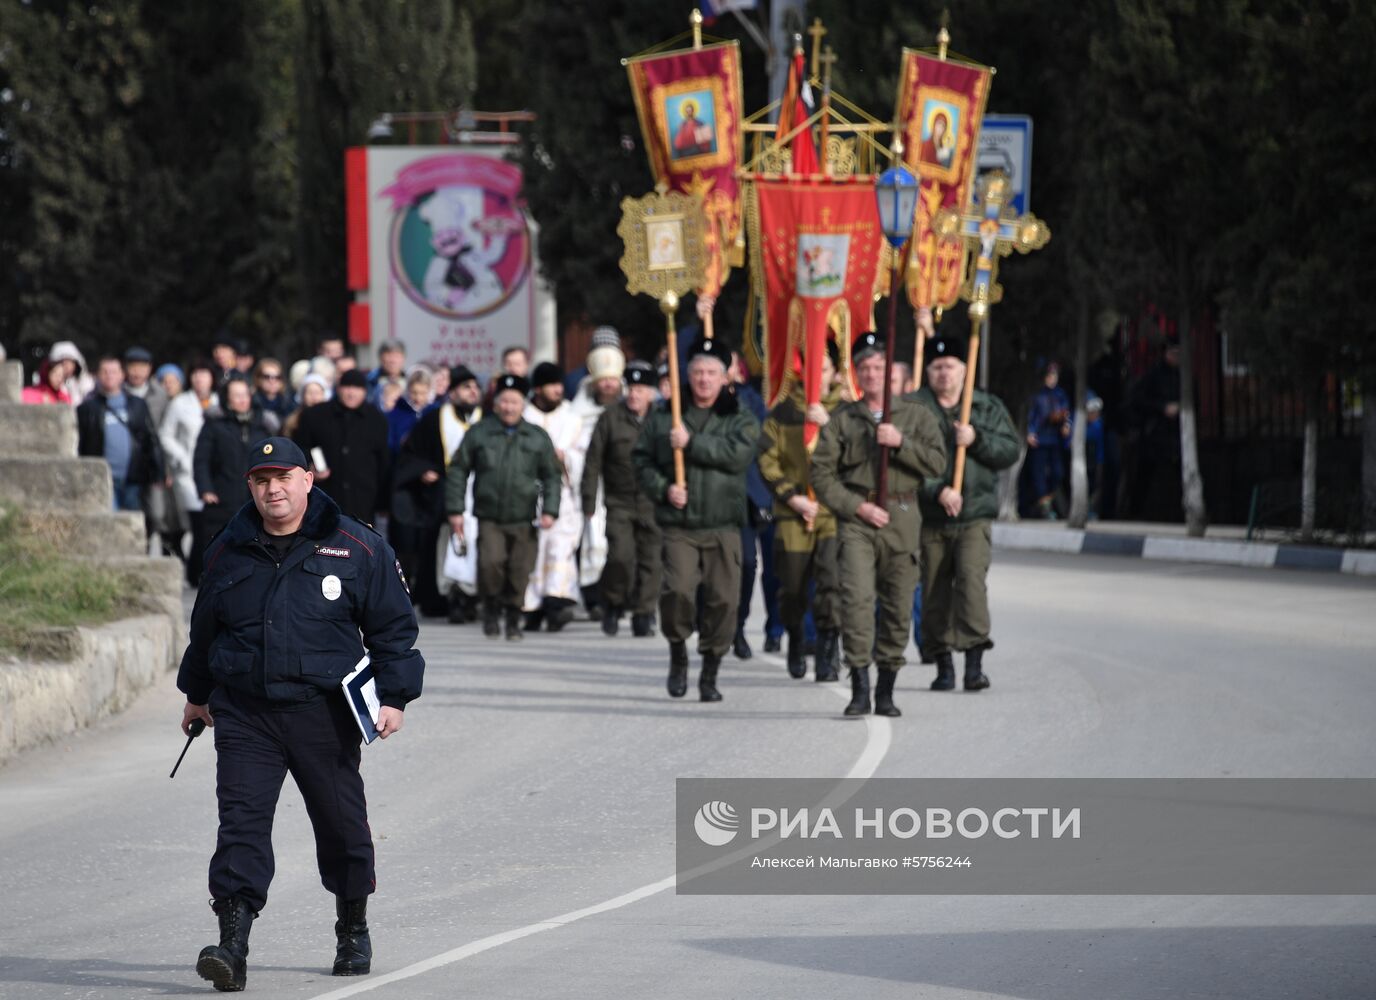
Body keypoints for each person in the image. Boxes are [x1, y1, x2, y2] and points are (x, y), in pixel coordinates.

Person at [177, 436, 423, 991]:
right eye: (262, 480)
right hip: (246, 712)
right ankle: (232, 946)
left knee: (342, 828)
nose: (273, 490)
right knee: (240, 826)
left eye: (283, 477)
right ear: (251, 488)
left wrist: (394, 697)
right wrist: (196, 694)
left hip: (324, 712)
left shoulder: (357, 547)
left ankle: (352, 924)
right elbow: (205, 631)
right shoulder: (227, 548)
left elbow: (392, 629)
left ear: (307, 480)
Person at [811, 333, 946, 718]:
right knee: (855, 601)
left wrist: (901, 442)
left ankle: (886, 689)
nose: (871, 374)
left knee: (898, 605)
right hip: (858, 520)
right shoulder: (843, 419)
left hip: (902, 517)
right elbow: (821, 474)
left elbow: (938, 463)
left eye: (878, 367)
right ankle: (859, 687)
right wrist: (856, 507)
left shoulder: (917, 416)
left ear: (892, 373)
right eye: (864, 368)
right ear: (856, 373)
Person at [632, 339, 759, 702]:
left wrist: (691, 443)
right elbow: (641, 461)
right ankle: (678, 653)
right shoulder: (665, 414)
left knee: (723, 600)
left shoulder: (739, 414)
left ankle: (711, 671)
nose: (704, 380)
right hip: (680, 524)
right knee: (677, 592)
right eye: (698, 372)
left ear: (725, 377)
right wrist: (664, 488)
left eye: (712, 373)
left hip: (723, 524)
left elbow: (738, 455)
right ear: (686, 375)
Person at [906, 334, 1019, 692]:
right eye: (937, 367)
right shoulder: (914, 408)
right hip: (931, 517)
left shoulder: (984, 406)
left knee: (971, 584)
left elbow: (1009, 450)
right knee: (935, 589)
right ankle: (942, 664)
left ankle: (973, 664)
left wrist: (977, 440)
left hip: (973, 515)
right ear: (928, 371)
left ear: (963, 369)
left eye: (950, 366)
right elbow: (904, 460)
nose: (943, 373)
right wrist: (937, 490)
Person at [445, 374, 559, 641]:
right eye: (504, 401)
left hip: (524, 516)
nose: (509, 407)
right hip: (489, 516)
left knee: (520, 569)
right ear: (495, 404)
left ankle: (513, 616)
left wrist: (550, 510)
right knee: (490, 564)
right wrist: (455, 510)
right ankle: (492, 608)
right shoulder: (480, 432)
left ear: (523, 405)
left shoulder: (537, 436)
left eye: (514, 402)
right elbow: (458, 470)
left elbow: (552, 476)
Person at [758, 340, 845, 681]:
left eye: (822, 370)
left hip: (832, 513)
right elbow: (767, 460)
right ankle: (795, 635)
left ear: (835, 373)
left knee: (831, 584)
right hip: (793, 511)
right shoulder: (783, 411)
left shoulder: (846, 411)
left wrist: (828, 425)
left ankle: (827, 648)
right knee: (792, 584)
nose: (816, 377)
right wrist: (792, 497)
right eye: (809, 370)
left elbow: (856, 458)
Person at [394, 366, 482, 621]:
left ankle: (473, 598)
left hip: (478, 496)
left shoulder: (485, 418)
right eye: (466, 387)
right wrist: (424, 470)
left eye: (475, 388)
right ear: (453, 393)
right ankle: (446, 598)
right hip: (442, 497)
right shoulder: (435, 418)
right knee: (445, 548)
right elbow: (412, 453)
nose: (472, 392)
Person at [582, 359, 660, 637]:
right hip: (619, 502)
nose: (635, 394)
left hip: (653, 501)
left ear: (652, 392)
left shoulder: (662, 419)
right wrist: (588, 501)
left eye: (642, 389)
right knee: (620, 557)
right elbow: (593, 462)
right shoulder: (611, 418)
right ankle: (613, 602)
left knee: (652, 560)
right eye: (632, 388)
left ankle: (644, 612)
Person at [566, 339, 626, 618]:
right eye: (603, 381)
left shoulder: (627, 412)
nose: (608, 386)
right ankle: (592, 598)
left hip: (619, 490)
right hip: (585, 489)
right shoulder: (576, 413)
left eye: (613, 381)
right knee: (588, 539)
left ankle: (617, 596)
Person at [522, 362, 584, 630]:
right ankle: (531, 608)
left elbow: (583, 453)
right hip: (530, 496)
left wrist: (566, 457)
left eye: (560, 384)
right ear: (538, 389)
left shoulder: (572, 418)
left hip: (564, 496)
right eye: (552, 385)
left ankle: (556, 603)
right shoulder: (523, 416)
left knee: (560, 549)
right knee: (533, 553)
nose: (558, 390)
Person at [730, 350, 782, 660]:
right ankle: (737, 626)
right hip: (745, 495)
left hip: (777, 493)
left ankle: (776, 629)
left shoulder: (771, 397)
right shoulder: (738, 400)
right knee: (747, 565)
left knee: (777, 570)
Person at [293, 369, 391, 524]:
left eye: (357, 388)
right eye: (347, 387)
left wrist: (383, 502)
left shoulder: (377, 419)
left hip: (363, 502)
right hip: (323, 498)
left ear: (365, 391)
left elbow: (383, 462)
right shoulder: (315, 415)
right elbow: (300, 449)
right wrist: (311, 467)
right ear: (338, 389)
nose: (351, 393)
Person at [76, 354, 166, 512]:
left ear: (122, 375)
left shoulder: (137, 404)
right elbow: (82, 444)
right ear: (97, 375)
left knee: (136, 521)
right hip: (103, 478)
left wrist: (158, 471)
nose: (109, 375)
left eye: (113, 371)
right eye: (104, 371)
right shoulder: (87, 408)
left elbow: (150, 438)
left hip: (133, 477)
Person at [194, 376, 273, 543]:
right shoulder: (215, 425)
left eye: (245, 394)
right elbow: (201, 459)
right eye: (237, 395)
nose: (243, 400)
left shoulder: (262, 426)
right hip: (221, 496)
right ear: (227, 399)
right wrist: (205, 489)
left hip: (253, 498)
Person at [162, 361, 215, 585]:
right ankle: (195, 573)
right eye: (196, 375)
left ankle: (206, 569)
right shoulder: (180, 403)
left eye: (204, 375)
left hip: (215, 472)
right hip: (188, 473)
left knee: (212, 522)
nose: (200, 380)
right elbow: (165, 435)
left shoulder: (219, 402)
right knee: (199, 522)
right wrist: (181, 458)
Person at [1024, 360, 1071, 518]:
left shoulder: (1060, 395)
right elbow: (1032, 415)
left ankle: (1045, 500)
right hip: (1040, 439)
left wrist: (1066, 425)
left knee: (1058, 472)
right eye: (1049, 375)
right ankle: (1044, 506)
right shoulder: (1037, 395)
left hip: (1055, 440)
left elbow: (1067, 414)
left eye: (1054, 375)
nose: (1052, 378)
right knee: (1038, 473)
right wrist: (1030, 432)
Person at [386, 368, 433, 454]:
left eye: (423, 393)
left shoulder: (434, 412)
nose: (418, 398)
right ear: (407, 390)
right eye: (414, 392)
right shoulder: (396, 413)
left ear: (429, 391)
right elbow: (390, 444)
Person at [122, 346, 170, 428]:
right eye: (133, 367)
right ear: (125, 368)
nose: (137, 372)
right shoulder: (117, 393)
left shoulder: (160, 394)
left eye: (142, 367)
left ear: (149, 368)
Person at [366, 340, 407, 409]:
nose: (392, 360)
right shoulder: (369, 381)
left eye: (396, 356)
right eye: (388, 355)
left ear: (403, 358)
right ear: (380, 358)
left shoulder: (410, 381)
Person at [251, 358, 292, 426]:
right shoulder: (250, 403)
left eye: (277, 377)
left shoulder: (288, 404)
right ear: (258, 379)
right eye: (267, 377)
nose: (272, 381)